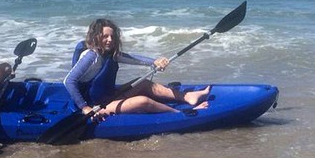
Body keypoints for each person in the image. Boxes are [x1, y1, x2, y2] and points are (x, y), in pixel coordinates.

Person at [63, 18, 210, 120]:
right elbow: (69, 81)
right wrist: (85, 108)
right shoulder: (91, 56)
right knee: (142, 101)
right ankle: (181, 113)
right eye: (105, 36)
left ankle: (186, 97)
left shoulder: (110, 53)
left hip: (109, 96)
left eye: (112, 37)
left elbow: (134, 58)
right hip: (95, 106)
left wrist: (155, 62)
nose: (110, 40)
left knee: (145, 84)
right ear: (95, 37)